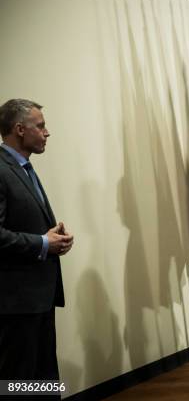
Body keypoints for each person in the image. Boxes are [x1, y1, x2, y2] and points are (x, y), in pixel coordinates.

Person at [0, 99, 74, 388]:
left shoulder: (23, 168)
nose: (47, 132)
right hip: (15, 303)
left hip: (38, 297)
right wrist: (43, 243)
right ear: (20, 129)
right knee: (18, 381)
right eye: (40, 126)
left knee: (44, 377)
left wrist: (53, 237)